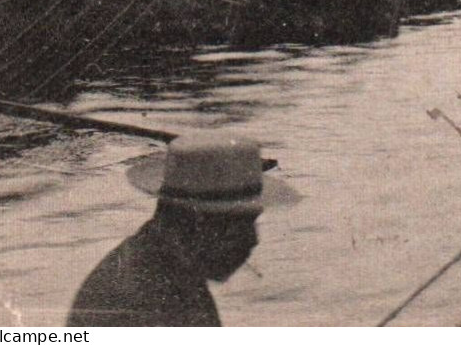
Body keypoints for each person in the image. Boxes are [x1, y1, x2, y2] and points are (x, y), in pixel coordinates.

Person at [68, 131, 297, 327]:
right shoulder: (147, 299)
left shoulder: (163, 266)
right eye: (242, 225)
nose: (252, 240)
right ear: (195, 222)